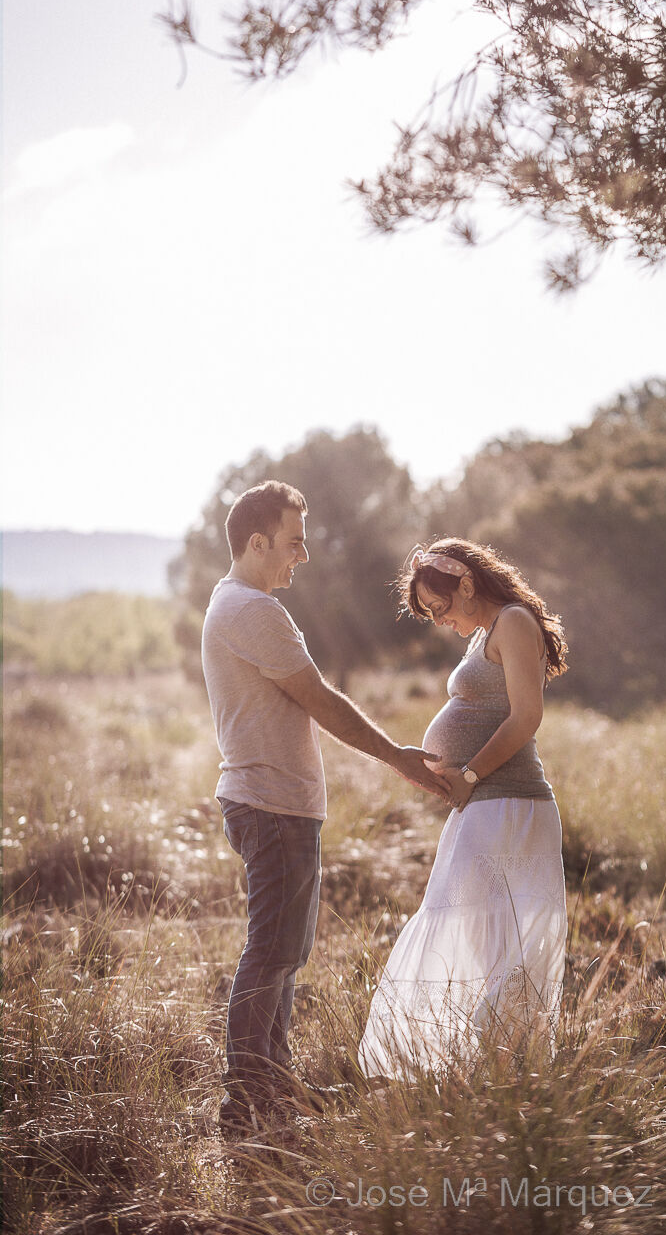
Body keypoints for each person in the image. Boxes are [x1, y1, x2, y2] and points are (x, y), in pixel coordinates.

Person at [201, 481, 450, 1135]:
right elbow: (320, 699)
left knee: (283, 953)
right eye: (293, 543)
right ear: (257, 544)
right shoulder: (252, 609)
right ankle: (248, 1106)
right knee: (271, 953)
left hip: (279, 805)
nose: (302, 557)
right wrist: (397, 754)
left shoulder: (237, 603)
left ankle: (271, 1092)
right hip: (271, 806)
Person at [358, 538, 568, 1080]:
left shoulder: (515, 623)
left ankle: (500, 1066)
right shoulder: (483, 634)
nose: (439, 619)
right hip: (484, 807)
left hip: (510, 806)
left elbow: (526, 717)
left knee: (507, 944)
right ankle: (485, 1072)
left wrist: (470, 775)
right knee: (479, 941)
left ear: (468, 584)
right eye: (430, 612)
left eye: (441, 605)